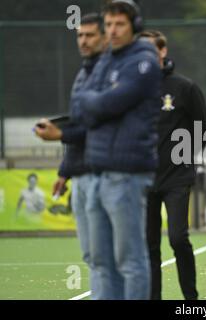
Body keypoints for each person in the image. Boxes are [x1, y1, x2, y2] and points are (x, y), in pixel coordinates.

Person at [70, 0, 161, 300]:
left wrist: (99, 103)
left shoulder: (144, 59)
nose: (113, 30)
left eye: (119, 24)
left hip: (127, 173)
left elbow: (109, 102)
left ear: (134, 26)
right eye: (108, 25)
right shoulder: (105, 59)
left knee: (130, 260)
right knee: (101, 261)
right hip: (98, 170)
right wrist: (100, 104)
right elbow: (84, 105)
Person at [34, 12, 107, 299]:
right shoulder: (83, 73)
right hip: (80, 174)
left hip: (104, 172)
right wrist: (65, 170)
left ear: (105, 37)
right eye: (80, 35)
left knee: (108, 255)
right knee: (91, 253)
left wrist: (60, 134)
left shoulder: (109, 73)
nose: (83, 41)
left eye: (90, 35)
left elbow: (100, 127)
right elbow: (78, 124)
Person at [140, 30, 206, 300]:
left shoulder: (184, 87)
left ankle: (190, 298)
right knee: (149, 245)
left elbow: (203, 129)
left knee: (178, 238)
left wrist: (185, 158)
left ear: (162, 51)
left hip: (177, 177)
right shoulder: (133, 89)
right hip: (143, 179)